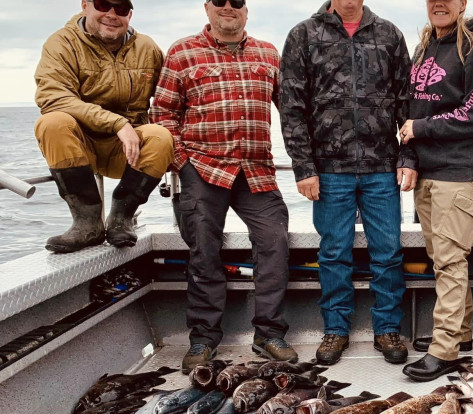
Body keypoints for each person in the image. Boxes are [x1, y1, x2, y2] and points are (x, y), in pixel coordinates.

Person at [152, 0, 297, 373]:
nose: (228, 7)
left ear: (246, 11)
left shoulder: (268, 54)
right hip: (202, 168)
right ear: (207, 8)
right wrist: (182, 163)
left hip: (256, 171)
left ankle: (268, 334)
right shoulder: (182, 52)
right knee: (203, 248)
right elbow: (163, 114)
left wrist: (311, 162)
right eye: (220, 2)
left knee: (275, 243)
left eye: (237, 2)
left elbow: (292, 111)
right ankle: (203, 338)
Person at [280, 0, 415, 366]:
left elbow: (408, 103)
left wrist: (407, 159)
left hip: (382, 167)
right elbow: (292, 106)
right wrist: (304, 166)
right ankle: (335, 330)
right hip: (328, 169)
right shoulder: (304, 35)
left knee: (387, 253)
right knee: (333, 253)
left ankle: (387, 329)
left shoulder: (389, 34)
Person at [398, 0, 473, 381]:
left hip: (459, 174)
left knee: (450, 262)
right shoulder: (425, 46)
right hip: (428, 174)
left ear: (462, 4)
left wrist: (422, 130)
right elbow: (411, 109)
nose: (439, 3)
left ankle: (445, 351)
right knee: (445, 259)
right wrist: (408, 157)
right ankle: (460, 335)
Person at [33, 0, 173, 254]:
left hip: (129, 153)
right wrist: (117, 123)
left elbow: (170, 99)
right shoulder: (61, 43)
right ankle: (87, 224)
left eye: (120, 9)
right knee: (51, 122)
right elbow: (53, 97)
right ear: (85, 5)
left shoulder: (148, 47)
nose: (111, 14)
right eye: (103, 4)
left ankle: (121, 218)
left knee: (161, 135)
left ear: (130, 14)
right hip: (80, 147)